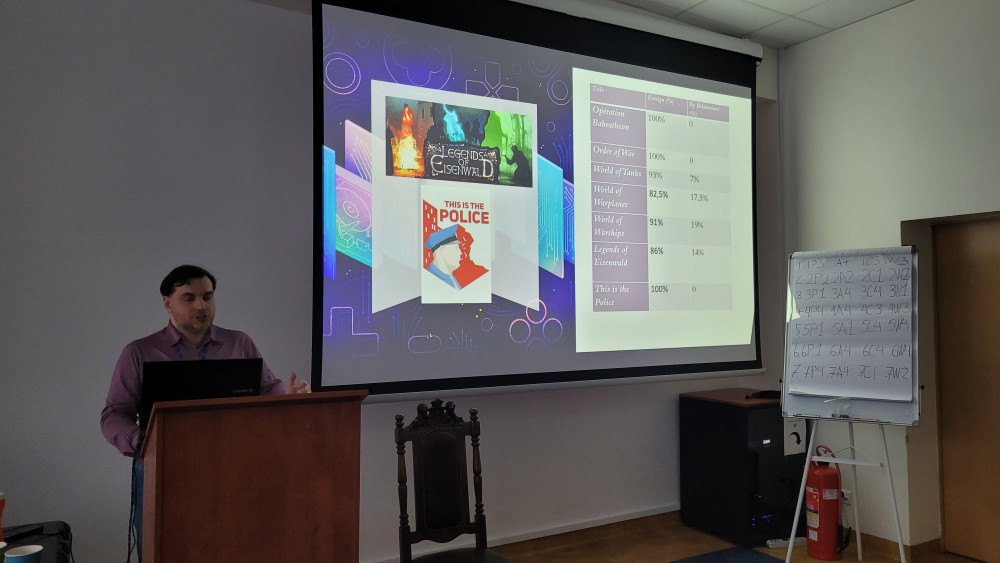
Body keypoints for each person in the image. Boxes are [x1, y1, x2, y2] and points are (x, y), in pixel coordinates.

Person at [100, 264, 309, 559]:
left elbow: (266, 387)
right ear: (167, 303)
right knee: (163, 548)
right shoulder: (139, 352)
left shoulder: (239, 343)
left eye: (207, 297)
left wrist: (287, 393)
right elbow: (113, 415)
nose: (201, 306)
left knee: (234, 544)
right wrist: (143, 443)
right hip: (165, 467)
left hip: (231, 463)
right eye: (189, 298)